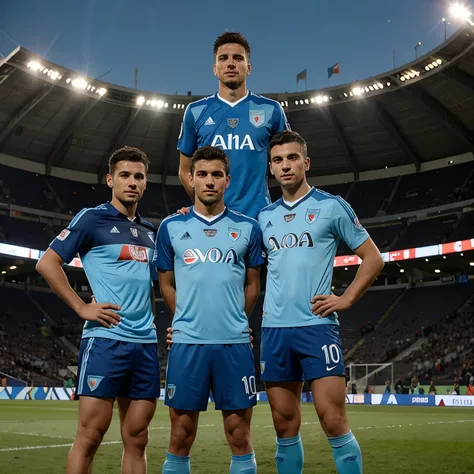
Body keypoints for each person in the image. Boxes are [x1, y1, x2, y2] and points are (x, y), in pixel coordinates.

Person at [258, 131, 385, 473]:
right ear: (270, 167)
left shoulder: (330, 206)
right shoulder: (263, 217)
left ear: (306, 162)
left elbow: (373, 258)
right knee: (284, 428)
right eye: (278, 160)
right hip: (274, 330)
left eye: (293, 157)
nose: (286, 165)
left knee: (333, 420)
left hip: (316, 327)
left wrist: (346, 298)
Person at [36, 146, 159, 474]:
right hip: (106, 340)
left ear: (145, 183)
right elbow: (47, 262)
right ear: (110, 180)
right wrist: (80, 307)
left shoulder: (150, 233)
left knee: (137, 437)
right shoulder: (92, 218)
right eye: (124, 175)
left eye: (138, 176)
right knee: (90, 435)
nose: (132, 182)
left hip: (145, 344)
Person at [155, 146, 263, 474]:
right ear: (191, 179)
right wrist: (184, 317)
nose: (209, 181)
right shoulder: (170, 227)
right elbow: (166, 284)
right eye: (202, 174)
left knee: (240, 435)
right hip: (187, 345)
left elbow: (252, 285)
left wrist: (237, 319)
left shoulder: (248, 228)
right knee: (180, 435)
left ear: (228, 180)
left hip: (234, 345)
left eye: (217, 175)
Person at [178, 31, 290, 219]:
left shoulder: (271, 110)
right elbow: (184, 170)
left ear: (248, 68)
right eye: (224, 58)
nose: (230, 63)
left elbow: (288, 163)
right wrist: (203, 206)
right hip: (212, 221)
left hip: (259, 220)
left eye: (238, 58)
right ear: (215, 68)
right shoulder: (195, 112)